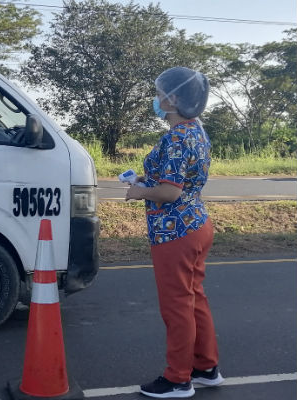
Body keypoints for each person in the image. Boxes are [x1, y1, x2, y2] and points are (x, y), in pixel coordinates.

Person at [125, 67, 224, 398]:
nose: (157, 98)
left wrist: (140, 192)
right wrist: (145, 179)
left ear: (174, 98)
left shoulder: (176, 137)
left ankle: (179, 379)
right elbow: (177, 179)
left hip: (175, 231)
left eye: (160, 93)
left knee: (177, 305)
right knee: (194, 299)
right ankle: (206, 367)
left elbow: (170, 192)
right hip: (196, 223)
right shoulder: (196, 131)